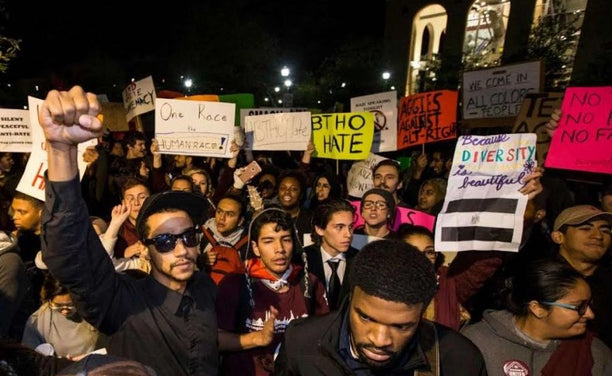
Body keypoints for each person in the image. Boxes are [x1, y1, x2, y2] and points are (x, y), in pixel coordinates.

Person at [38, 86, 218, 375]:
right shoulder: (123, 301)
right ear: (145, 247)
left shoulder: (206, 290)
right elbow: (70, 256)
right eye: (165, 241)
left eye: (188, 236)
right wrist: (61, 152)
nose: (182, 249)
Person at [273, 239, 487, 375]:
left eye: (401, 326)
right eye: (366, 318)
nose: (380, 340)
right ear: (352, 296)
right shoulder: (301, 342)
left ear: (422, 313)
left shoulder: (459, 361)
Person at [216, 207, 329, 375]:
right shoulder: (234, 283)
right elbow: (214, 340)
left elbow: (325, 338)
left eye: (286, 239)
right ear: (255, 247)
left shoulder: (309, 283)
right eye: (269, 241)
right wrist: (256, 338)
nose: (280, 249)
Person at [462, 258, 612, 376]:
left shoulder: (594, 353)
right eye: (579, 307)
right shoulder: (477, 343)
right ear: (537, 308)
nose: (590, 314)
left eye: (589, 304)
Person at [550, 204, 612, 348]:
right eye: (585, 228)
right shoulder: (541, 279)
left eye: (606, 230)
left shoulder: (608, 281)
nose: (598, 236)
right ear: (559, 237)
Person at [21, 274, 103, 359]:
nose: (65, 311)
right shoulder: (38, 322)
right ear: (48, 300)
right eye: (58, 305)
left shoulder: (95, 311)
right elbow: (30, 357)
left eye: (71, 305)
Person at [303, 199, 357, 311]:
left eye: (350, 227)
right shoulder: (302, 259)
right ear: (319, 229)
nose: (348, 234)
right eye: (339, 227)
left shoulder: (360, 259)